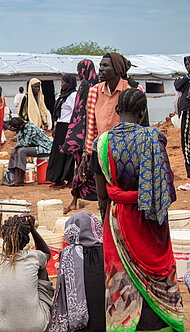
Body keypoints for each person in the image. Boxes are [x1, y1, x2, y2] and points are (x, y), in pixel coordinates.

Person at [91, 89, 184, 331]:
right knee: (158, 274)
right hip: (150, 222)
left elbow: (101, 194)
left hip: (118, 219)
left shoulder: (101, 144)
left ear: (117, 110)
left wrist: (114, 206)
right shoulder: (154, 139)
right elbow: (164, 188)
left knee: (122, 279)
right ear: (143, 113)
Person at [81, 52, 148, 219]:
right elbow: (91, 126)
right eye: (101, 65)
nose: (101, 69)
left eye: (105, 66)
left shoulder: (133, 90)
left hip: (128, 153)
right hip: (102, 151)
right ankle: (106, 226)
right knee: (103, 196)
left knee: (125, 195)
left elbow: (144, 123)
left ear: (117, 69)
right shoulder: (94, 91)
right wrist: (87, 155)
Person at [0, 215, 54, 332]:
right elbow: (46, 252)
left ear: (3, 238)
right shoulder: (34, 257)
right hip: (36, 326)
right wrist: (32, 229)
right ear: (26, 239)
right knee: (42, 268)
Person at [48, 211, 105, 332]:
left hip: (82, 326)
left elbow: (61, 292)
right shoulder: (108, 252)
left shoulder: (68, 255)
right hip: (109, 323)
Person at [61, 59, 99, 213]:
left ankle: (74, 201)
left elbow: (79, 111)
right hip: (97, 132)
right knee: (96, 170)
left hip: (83, 135)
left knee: (81, 168)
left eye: (79, 70)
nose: (78, 74)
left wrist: (73, 135)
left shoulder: (84, 85)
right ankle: (95, 201)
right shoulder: (99, 85)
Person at [46, 74, 77, 187]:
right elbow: (59, 114)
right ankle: (57, 179)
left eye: (63, 82)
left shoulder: (73, 96)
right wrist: (55, 126)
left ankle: (69, 179)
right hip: (60, 126)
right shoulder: (63, 96)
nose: (61, 84)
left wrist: (73, 129)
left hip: (68, 127)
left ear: (69, 83)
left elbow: (75, 113)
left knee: (67, 154)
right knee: (57, 153)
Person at [8, 117, 52, 186]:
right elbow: (20, 143)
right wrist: (17, 133)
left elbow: (25, 143)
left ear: (19, 126)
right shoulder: (21, 129)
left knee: (21, 151)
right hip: (35, 147)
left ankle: (20, 179)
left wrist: (16, 147)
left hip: (44, 148)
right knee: (15, 150)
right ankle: (16, 177)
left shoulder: (30, 127)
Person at [175, 56, 190, 190]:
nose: (187, 66)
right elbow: (177, 85)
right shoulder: (185, 80)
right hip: (186, 114)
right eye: (186, 64)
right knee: (186, 145)